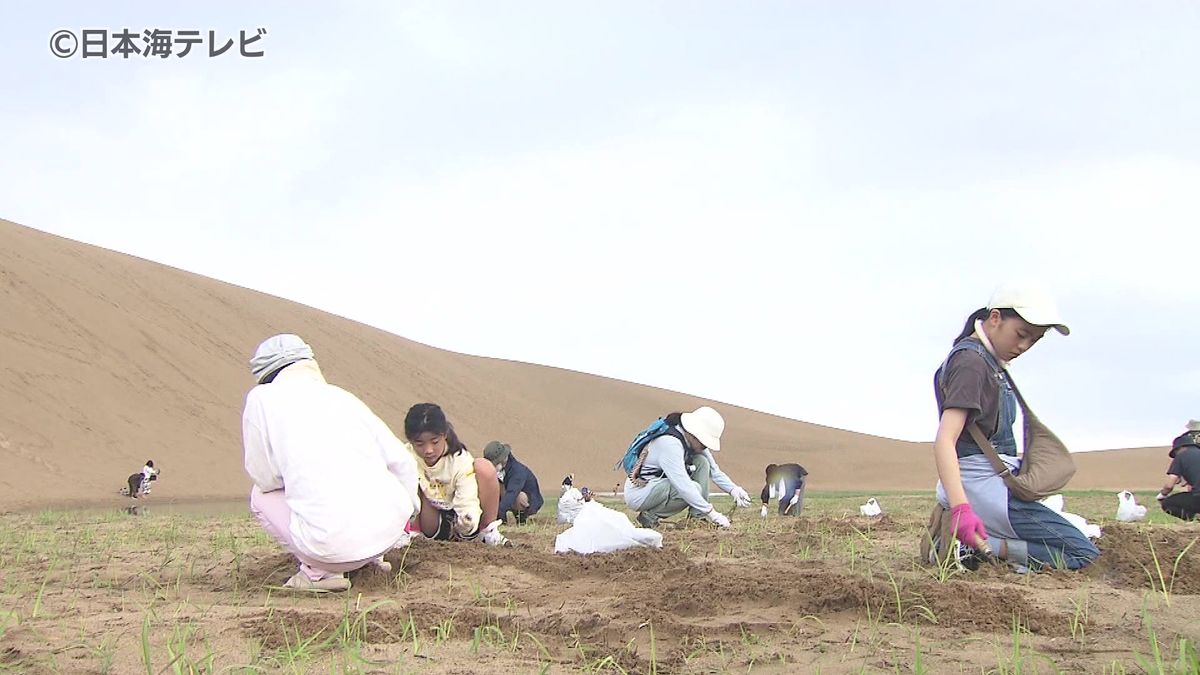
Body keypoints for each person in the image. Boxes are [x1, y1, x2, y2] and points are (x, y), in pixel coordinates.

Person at [928, 284, 1099, 571]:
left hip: (994, 484)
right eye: (1021, 335)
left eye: (1034, 340)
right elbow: (946, 440)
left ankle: (985, 543)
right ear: (995, 318)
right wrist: (961, 509)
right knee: (1084, 555)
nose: (1023, 346)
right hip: (985, 487)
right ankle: (974, 546)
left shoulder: (988, 362)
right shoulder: (971, 362)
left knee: (1074, 542)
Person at [242, 334, 421, 592]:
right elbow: (402, 461)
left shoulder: (261, 398)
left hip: (330, 549)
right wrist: (407, 512)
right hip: (388, 537)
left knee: (260, 494)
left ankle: (318, 573)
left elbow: (263, 476)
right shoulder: (341, 397)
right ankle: (369, 560)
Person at [622, 406, 752, 529]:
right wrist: (712, 513)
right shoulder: (670, 444)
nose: (705, 447)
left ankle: (697, 518)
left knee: (701, 462)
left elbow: (714, 471)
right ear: (694, 434)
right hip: (640, 493)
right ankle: (649, 517)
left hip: (659, 485)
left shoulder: (692, 441)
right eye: (704, 442)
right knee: (694, 488)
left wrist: (734, 489)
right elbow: (682, 485)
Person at [405, 403, 510, 546]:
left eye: (434, 442)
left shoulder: (460, 459)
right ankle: (410, 534)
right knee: (403, 471)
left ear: (445, 435)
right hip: (430, 521)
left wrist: (468, 521)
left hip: (460, 518)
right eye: (419, 444)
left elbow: (467, 496)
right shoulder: (405, 456)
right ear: (411, 441)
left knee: (484, 468)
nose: (428, 450)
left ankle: (488, 532)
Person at [482, 441, 544, 525]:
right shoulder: (500, 470)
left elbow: (512, 493)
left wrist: (499, 514)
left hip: (528, 501)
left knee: (519, 497)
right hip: (508, 495)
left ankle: (522, 520)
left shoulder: (518, 471)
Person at [1158, 433, 1200, 521]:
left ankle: (1196, 519)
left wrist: (1162, 495)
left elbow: (1169, 485)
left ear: (1179, 448)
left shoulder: (1181, 456)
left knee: (1167, 504)